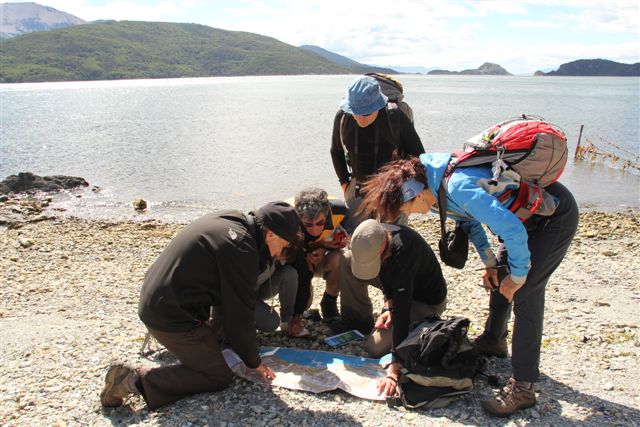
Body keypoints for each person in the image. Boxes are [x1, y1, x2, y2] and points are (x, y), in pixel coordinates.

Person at [359, 155, 579, 417]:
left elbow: (513, 232)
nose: (411, 214)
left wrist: (519, 278)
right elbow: (470, 220)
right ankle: (494, 340)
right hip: (521, 218)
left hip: (552, 217)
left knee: (525, 294)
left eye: (407, 208)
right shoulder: (433, 187)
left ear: (416, 194)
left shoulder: (457, 186)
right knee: (500, 275)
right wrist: (489, 263)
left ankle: (523, 387)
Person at [100, 201, 302, 410]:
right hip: (169, 316)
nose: (280, 253)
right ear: (271, 235)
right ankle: (133, 379)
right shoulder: (242, 248)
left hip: (157, 298)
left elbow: (227, 298)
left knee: (224, 339)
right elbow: (240, 314)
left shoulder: (233, 218)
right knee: (218, 376)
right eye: (284, 245)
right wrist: (253, 361)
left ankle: (207, 345)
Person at [339, 219, 448, 398]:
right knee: (346, 260)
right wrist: (388, 305)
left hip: (425, 301)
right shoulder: (372, 238)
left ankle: (423, 323)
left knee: (374, 348)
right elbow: (386, 276)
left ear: (382, 248)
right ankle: (357, 320)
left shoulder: (405, 251)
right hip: (399, 288)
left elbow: (402, 310)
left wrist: (395, 369)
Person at [330, 75, 425, 229]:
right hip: (358, 189)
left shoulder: (394, 116)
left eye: (366, 113)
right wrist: (344, 184)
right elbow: (336, 151)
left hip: (393, 188)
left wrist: (411, 193)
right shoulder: (343, 117)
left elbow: (418, 155)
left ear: (378, 105)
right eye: (354, 112)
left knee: (394, 237)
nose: (360, 118)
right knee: (361, 237)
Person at [285, 188, 350, 335]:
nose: (315, 229)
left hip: (322, 257)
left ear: (327, 213)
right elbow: (284, 253)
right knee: (305, 302)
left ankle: (329, 303)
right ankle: (292, 313)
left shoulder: (340, 209)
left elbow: (350, 234)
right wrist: (318, 246)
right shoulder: (288, 218)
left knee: (338, 259)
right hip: (295, 260)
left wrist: (340, 241)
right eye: (308, 224)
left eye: (320, 222)